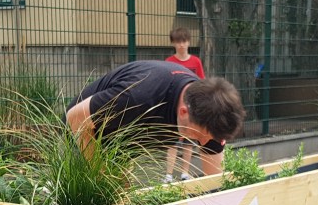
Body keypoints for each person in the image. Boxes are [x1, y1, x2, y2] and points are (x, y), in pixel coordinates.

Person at [65, 60, 244, 177]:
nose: (203, 143)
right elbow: (75, 118)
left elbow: (215, 183)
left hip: (120, 145)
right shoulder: (137, 96)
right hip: (80, 136)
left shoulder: (209, 112)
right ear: (183, 112)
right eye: (198, 136)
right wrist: (100, 178)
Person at [164, 28, 205, 181]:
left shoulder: (196, 62)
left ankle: (185, 173)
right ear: (173, 43)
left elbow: (200, 83)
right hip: (173, 108)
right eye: (178, 41)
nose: (181, 44)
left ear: (188, 42)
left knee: (188, 141)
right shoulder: (169, 62)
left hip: (190, 107)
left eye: (184, 41)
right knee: (172, 141)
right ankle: (168, 175)